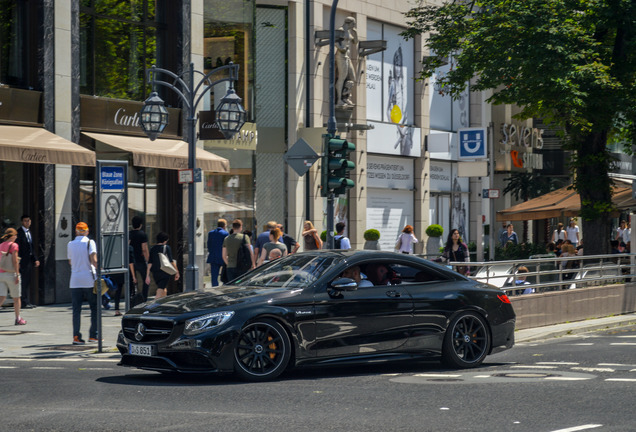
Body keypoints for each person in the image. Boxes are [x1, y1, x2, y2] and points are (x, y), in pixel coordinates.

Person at [67, 222, 98, 344]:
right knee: (94, 308)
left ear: (76, 231)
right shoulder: (90, 242)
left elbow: (70, 261)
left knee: (76, 310)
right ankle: (93, 336)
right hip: (89, 279)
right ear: (87, 231)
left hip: (75, 280)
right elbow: (94, 260)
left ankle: (76, 336)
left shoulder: (70, 244)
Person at [0, 228, 26, 325]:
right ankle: (18, 318)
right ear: (12, 236)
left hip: (1, 274)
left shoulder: (1, 245)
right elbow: (15, 261)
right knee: (16, 298)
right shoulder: (14, 245)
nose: (16, 237)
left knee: (1, 297)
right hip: (11, 274)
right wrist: (17, 274)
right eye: (15, 235)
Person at [146, 232, 180, 299]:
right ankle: (154, 305)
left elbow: (150, 263)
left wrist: (147, 275)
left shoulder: (152, 248)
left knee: (163, 288)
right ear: (165, 240)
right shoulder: (166, 247)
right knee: (160, 290)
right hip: (165, 272)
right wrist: (177, 272)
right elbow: (171, 261)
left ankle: (163, 303)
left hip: (155, 273)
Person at [16, 214, 39, 309]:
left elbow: (31, 247)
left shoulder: (29, 232)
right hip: (22, 261)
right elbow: (17, 248)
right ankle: (24, 302)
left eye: (29, 221)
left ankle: (26, 301)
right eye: (25, 221)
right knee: (23, 282)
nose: (27, 222)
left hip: (29, 261)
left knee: (27, 281)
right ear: (22, 222)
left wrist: (35, 259)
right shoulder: (19, 233)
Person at [335, 16, 357, 107]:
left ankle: (346, 96)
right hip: (341, 56)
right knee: (342, 77)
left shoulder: (349, 31)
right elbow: (335, 41)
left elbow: (355, 42)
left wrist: (355, 33)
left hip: (347, 56)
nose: (354, 25)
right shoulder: (341, 30)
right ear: (348, 22)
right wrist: (341, 48)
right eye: (353, 23)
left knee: (353, 78)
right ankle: (339, 99)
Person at [129, 216, 150, 301]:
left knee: (132, 280)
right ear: (140, 225)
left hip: (131, 261)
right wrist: (148, 260)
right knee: (146, 279)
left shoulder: (129, 234)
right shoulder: (142, 234)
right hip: (140, 260)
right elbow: (144, 249)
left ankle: (132, 297)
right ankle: (144, 298)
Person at [112, 245, 136, 316]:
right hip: (127, 272)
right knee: (130, 291)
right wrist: (134, 276)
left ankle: (117, 309)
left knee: (118, 291)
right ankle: (129, 308)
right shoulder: (129, 248)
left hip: (117, 271)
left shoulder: (116, 247)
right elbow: (130, 263)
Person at [207, 219, 228, 287]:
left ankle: (214, 288)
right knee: (225, 275)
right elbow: (226, 246)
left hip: (213, 257)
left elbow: (208, 245)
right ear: (224, 226)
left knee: (214, 276)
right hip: (223, 257)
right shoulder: (225, 234)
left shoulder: (210, 233)